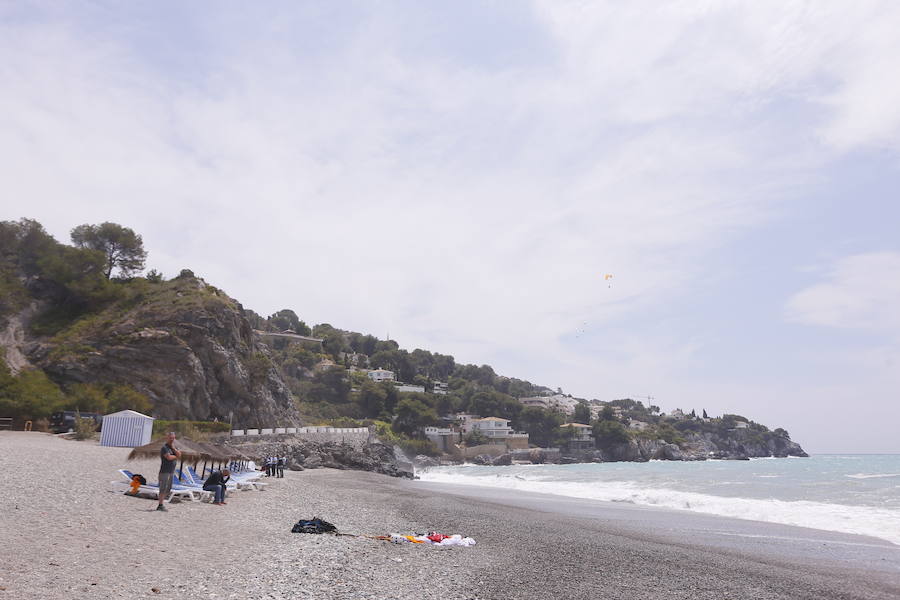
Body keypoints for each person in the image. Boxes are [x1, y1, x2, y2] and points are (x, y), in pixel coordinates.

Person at [157, 432, 181, 512]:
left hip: (171, 472)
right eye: (170, 438)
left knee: (168, 489)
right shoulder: (164, 448)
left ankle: (161, 503)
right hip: (164, 471)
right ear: (167, 438)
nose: (172, 439)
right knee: (163, 488)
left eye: (173, 438)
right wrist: (176, 456)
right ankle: (160, 505)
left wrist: (174, 449)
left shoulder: (174, 447)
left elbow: (179, 455)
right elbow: (169, 457)